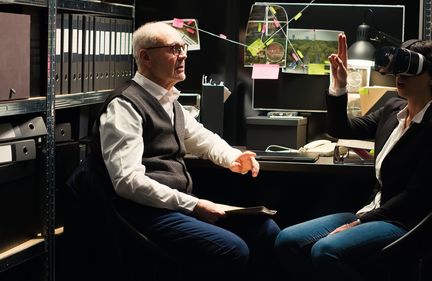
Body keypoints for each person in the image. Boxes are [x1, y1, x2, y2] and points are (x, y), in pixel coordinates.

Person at [69, 21, 280, 280]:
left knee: (265, 230)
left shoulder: (169, 101)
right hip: (143, 214)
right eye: (173, 49)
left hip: (174, 207)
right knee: (231, 249)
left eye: (183, 47)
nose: (183, 55)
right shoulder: (124, 107)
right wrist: (194, 205)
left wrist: (233, 157)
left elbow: (201, 138)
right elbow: (127, 182)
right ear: (145, 57)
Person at [274, 33, 432, 280]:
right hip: (371, 212)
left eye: (410, 67)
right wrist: (340, 85)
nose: (399, 74)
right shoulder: (393, 109)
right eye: (398, 66)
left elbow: (416, 196)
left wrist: (360, 222)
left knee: (325, 251)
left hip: (403, 222)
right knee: (286, 240)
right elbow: (342, 130)